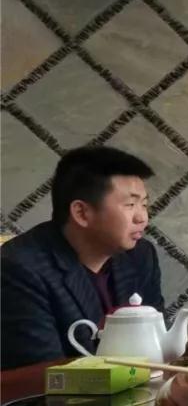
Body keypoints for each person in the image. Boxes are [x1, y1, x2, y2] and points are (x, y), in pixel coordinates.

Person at [1, 146, 162, 369]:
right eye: (130, 205)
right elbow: (43, 374)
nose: (142, 217)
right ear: (81, 213)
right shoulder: (21, 268)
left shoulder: (140, 255)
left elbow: (158, 340)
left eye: (144, 204)